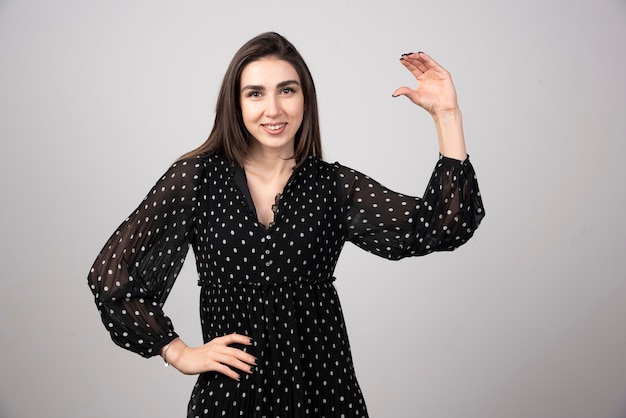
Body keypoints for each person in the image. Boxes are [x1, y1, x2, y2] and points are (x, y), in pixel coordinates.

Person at [87, 31, 484, 418]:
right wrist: (177, 352)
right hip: (231, 399)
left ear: (305, 100)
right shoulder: (196, 179)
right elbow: (110, 273)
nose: (273, 109)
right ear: (236, 104)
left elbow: (442, 225)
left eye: (287, 90)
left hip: (325, 394)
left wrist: (447, 116)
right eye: (255, 93)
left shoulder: (333, 187)